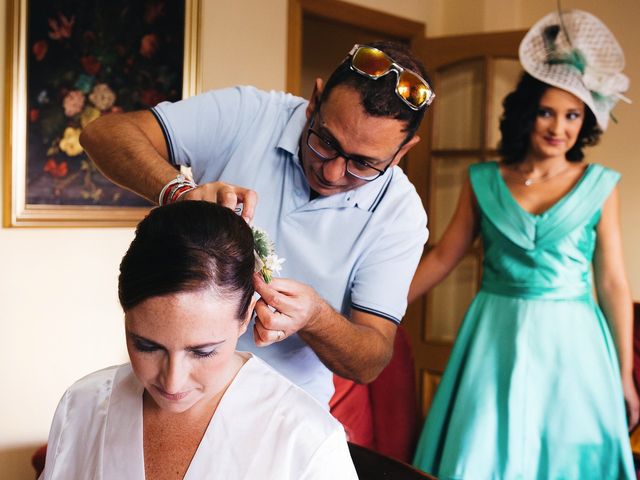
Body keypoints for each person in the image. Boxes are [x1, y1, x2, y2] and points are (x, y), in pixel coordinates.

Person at [80, 41, 434, 405]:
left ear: (401, 153)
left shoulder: (400, 216)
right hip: (176, 390)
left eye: (363, 163)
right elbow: (102, 135)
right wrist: (180, 193)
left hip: (286, 413)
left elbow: (370, 361)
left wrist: (315, 317)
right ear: (313, 101)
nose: (331, 172)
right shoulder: (249, 114)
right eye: (325, 141)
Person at [410, 10, 637, 479]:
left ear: (586, 120)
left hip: (574, 344)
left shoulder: (600, 184)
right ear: (526, 114)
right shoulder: (484, 180)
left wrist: (623, 374)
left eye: (573, 115)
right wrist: (375, 311)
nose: (559, 127)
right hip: (496, 333)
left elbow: (613, 282)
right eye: (547, 112)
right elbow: (443, 257)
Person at [39, 200, 358, 479]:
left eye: (203, 352)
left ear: (246, 316)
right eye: (147, 346)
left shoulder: (306, 439)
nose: (173, 382)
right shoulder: (82, 405)